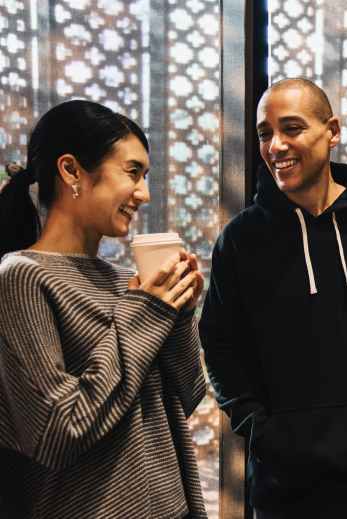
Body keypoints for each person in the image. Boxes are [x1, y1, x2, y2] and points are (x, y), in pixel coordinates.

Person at [199, 78, 347, 518]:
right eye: (265, 133)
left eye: (291, 128)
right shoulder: (240, 239)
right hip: (282, 481)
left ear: (332, 130)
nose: (276, 146)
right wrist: (258, 427)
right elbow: (219, 343)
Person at [0, 100, 207, 519]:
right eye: (133, 172)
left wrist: (178, 311)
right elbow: (59, 429)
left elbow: (185, 397)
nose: (144, 194)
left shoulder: (125, 282)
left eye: (146, 177)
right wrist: (146, 312)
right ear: (72, 170)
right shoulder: (21, 277)